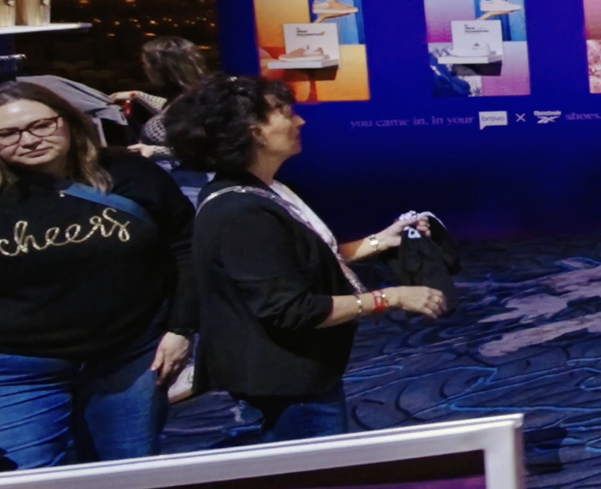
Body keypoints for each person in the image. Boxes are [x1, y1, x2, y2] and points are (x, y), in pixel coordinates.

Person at [166, 75, 447, 441]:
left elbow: (302, 258)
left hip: (300, 371)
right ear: (252, 132)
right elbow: (289, 308)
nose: (300, 121)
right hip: (288, 380)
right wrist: (390, 297)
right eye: (284, 112)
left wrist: (380, 240)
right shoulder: (241, 212)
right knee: (315, 486)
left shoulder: (263, 191)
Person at [0, 81, 197, 467]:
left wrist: (181, 328)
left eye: (42, 125)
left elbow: (186, 250)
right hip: (21, 370)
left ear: (70, 121)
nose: (29, 140)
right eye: (8, 134)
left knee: (127, 481)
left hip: (131, 359)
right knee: (30, 487)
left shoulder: (131, 174)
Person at [111, 35, 211, 150]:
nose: (144, 69)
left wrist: (154, 151)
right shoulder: (190, 94)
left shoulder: (198, 103)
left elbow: (198, 152)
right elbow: (169, 111)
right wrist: (137, 95)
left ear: (161, 68)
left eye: (145, 64)